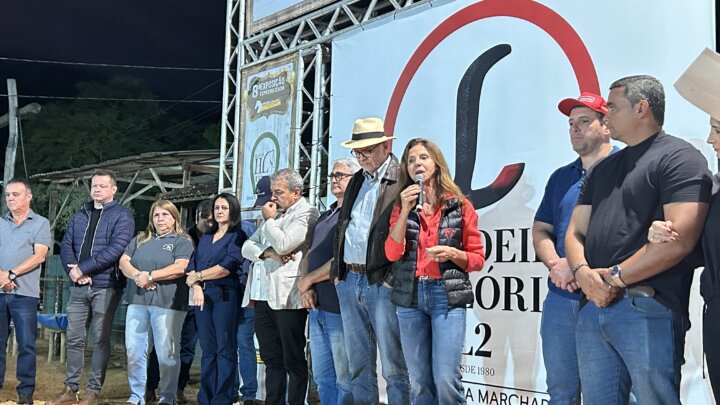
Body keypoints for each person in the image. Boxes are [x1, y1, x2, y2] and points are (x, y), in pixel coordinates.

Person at [565, 75, 712, 404]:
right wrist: (582, 273)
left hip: (647, 305)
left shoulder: (680, 157)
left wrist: (613, 279)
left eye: (613, 107)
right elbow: (574, 231)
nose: (606, 114)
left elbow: (680, 240)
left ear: (641, 108)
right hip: (593, 304)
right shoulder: (602, 169)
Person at [532, 92, 617, 404]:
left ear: (606, 126)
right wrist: (557, 264)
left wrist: (578, 268)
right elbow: (541, 228)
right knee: (561, 393)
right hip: (560, 299)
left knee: (610, 396)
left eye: (584, 121)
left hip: (607, 297)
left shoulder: (627, 168)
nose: (575, 129)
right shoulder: (561, 178)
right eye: (571, 123)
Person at [385, 138, 485, 404]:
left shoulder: (460, 206)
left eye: (423, 158)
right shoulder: (402, 206)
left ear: (437, 163)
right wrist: (404, 212)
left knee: (445, 379)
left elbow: (477, 259)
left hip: (446, 295)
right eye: (411, 160)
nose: (417, 164)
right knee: (419, 382)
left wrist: (453, 254)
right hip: (410, 297)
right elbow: (392, 253)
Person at [645, 48, 720, 403]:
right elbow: (701, 253)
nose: (710, 140)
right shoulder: (715, 193)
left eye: (717, 129)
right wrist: (662, 234)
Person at [331, 117, 411, 404]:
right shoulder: (356, 180)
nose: (362, 156)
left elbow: (410, 233)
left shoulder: (401, 178)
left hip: (381, 281)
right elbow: (344, 225)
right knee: (358, 365)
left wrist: (391, 278)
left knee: (394, 365)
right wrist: (338, 272)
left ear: (385, 146)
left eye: (367, 150)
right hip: (350, 279)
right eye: (357, 151)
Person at [52, 169, 135, 405]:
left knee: (100, 339)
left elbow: (116, 249)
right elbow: (66, 244)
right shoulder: (81, 213)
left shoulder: (123, 216)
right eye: (94, 185)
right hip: (78, 286)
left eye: (102, 186)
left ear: (113, 189)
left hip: (106, 285)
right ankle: (70, 389)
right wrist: (74, 272)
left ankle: (93, 392)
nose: (97, 189)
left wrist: (83, 268)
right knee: (74, 338)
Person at [241, 168, 319, 405]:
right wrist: (268, 253)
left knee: (293, 359)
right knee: (271, 358)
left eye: (278, 192)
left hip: (287, 297)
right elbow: (247, 247)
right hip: (262, 296)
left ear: (296, 192)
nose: (273, 197)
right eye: (273, 192)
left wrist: (269, 221)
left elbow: (285, 244)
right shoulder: (276, 215)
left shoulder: (307, 213)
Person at [118, 199, 194, 405]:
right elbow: (123, 262)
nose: (160, 219)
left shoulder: (182, 241)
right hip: (137, 300)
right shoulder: (140, 239)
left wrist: (151, 276)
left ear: (174, 218)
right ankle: (136, 396)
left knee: (166, 353)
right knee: (134, 350)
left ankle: (167, 397)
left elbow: (180, 267)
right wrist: (138, 276)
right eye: (156, 215)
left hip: (168, 303)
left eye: (165, 214)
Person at [297, 158, 360, 404]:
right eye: (332, 175)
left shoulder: (354, 213)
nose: (334, 180)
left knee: (344, 377)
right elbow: (308, 253)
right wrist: (306, 286)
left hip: (340, 306)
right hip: (317, 306)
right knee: (322, 376)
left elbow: (342, 257)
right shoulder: (325, 215)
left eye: (340, 175)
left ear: (355, 179)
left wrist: (308, 281)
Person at [185, 193, 246, 405]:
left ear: (233, 211)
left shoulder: (237, 236)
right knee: (208, 349)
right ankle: (206, 397)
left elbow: (226, 267)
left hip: (225, 296)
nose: (219, 211)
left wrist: (199, 277)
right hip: (203, 297)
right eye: (217, 207)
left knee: (224, 348)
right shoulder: (205, 237)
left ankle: (223, 397)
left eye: (224, 208)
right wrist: (196, 287)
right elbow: (191, 267)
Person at [0, 178, 51, 405]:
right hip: (0, 290)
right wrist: (2, 277)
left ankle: (26, 392)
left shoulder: (40, 223)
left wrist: (10, 275)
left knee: (26, 344)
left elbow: (39, 256)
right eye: (8, 195)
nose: (10, 198)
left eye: (16, 194)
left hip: (25, 294)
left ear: (28, 196)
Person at [234, 216, 259, 405]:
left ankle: (249, 394)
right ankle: (231, 390)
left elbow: (252, 260)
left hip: (244, 292)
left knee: (244, 341)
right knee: (228, 344)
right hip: (225, 294)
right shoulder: (215, 232)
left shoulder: (246, 228)